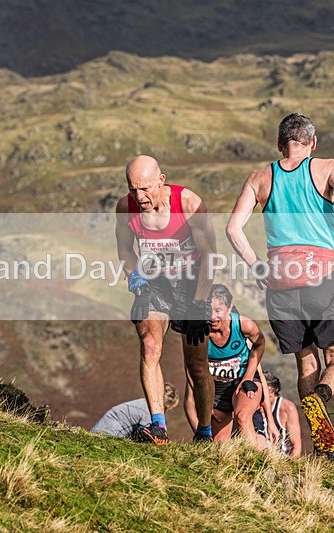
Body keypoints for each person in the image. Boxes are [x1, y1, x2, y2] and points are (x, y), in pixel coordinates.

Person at [226, 113, 334, 455]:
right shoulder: (326, 168)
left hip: (280, 285)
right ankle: (321, 398)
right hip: (324, 278)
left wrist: (258, 268)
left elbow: (233, 229)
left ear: (279, 145)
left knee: (306, 363)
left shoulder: (260, 178)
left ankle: (322, 446)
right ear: (313, 143)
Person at [115, 155, 217, 444]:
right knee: (149, 346)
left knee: (196, 365)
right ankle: (158, 425)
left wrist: (199, 303)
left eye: (145, 188)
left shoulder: (188, 204)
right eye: (133, 189)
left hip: (191, 282)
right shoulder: (125, 208)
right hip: (154, 281)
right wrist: (138, 284)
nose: (139, 196)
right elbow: (125, 251)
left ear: (161, 180)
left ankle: (205, 431)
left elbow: (210, 256)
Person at [183, 284, 271, 445]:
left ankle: (258, 464)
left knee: (243, 417)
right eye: (208, 310)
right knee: (221, 446)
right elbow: (191, 369)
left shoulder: (244, 325)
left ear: (229, 307)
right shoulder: (199, 332)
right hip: (215, 389)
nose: (212, 316)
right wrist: (202, 401)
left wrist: (248, 377)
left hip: (242, 380)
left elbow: (260, 344)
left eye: (218, 310)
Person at [91, 383, 180, 439]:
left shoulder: (143, 403)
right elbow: (150, 437)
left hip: (101, 431)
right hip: (107, 436)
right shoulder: (148, 411)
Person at [253, 370, 302, 456]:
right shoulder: (250, 405)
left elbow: (296, 447)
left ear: (270, 390)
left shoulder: (286, 408)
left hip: (281, 460)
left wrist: (289, 467)